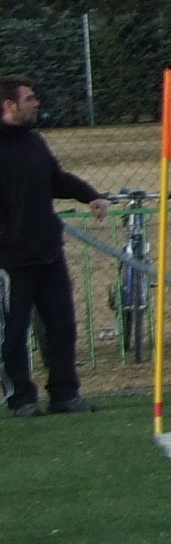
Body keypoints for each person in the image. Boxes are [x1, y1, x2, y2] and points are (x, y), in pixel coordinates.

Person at [0, 77, 106, 418]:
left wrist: (89, 195)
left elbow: (55, 179)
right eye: (29, 99)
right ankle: (21, 398)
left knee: (62, 327)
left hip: (48, 253)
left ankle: (65, 394)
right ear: (9, 105)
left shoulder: (34, 141)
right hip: (11, 260)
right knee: (13, 334)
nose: (36, 103)